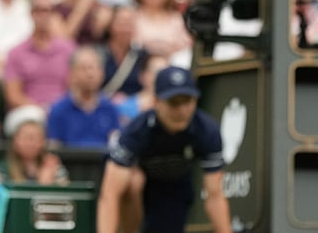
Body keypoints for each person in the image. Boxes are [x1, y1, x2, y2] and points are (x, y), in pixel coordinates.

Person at [97, 66, 230, 233]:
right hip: (137, 193)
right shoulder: (136, 131)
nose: (182, 110)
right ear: (156, 102)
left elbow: (215, 196)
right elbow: (109, 196)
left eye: (187, 101)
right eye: (174, 102)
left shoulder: (207, 130)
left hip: (173, 189)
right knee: (133, 182)